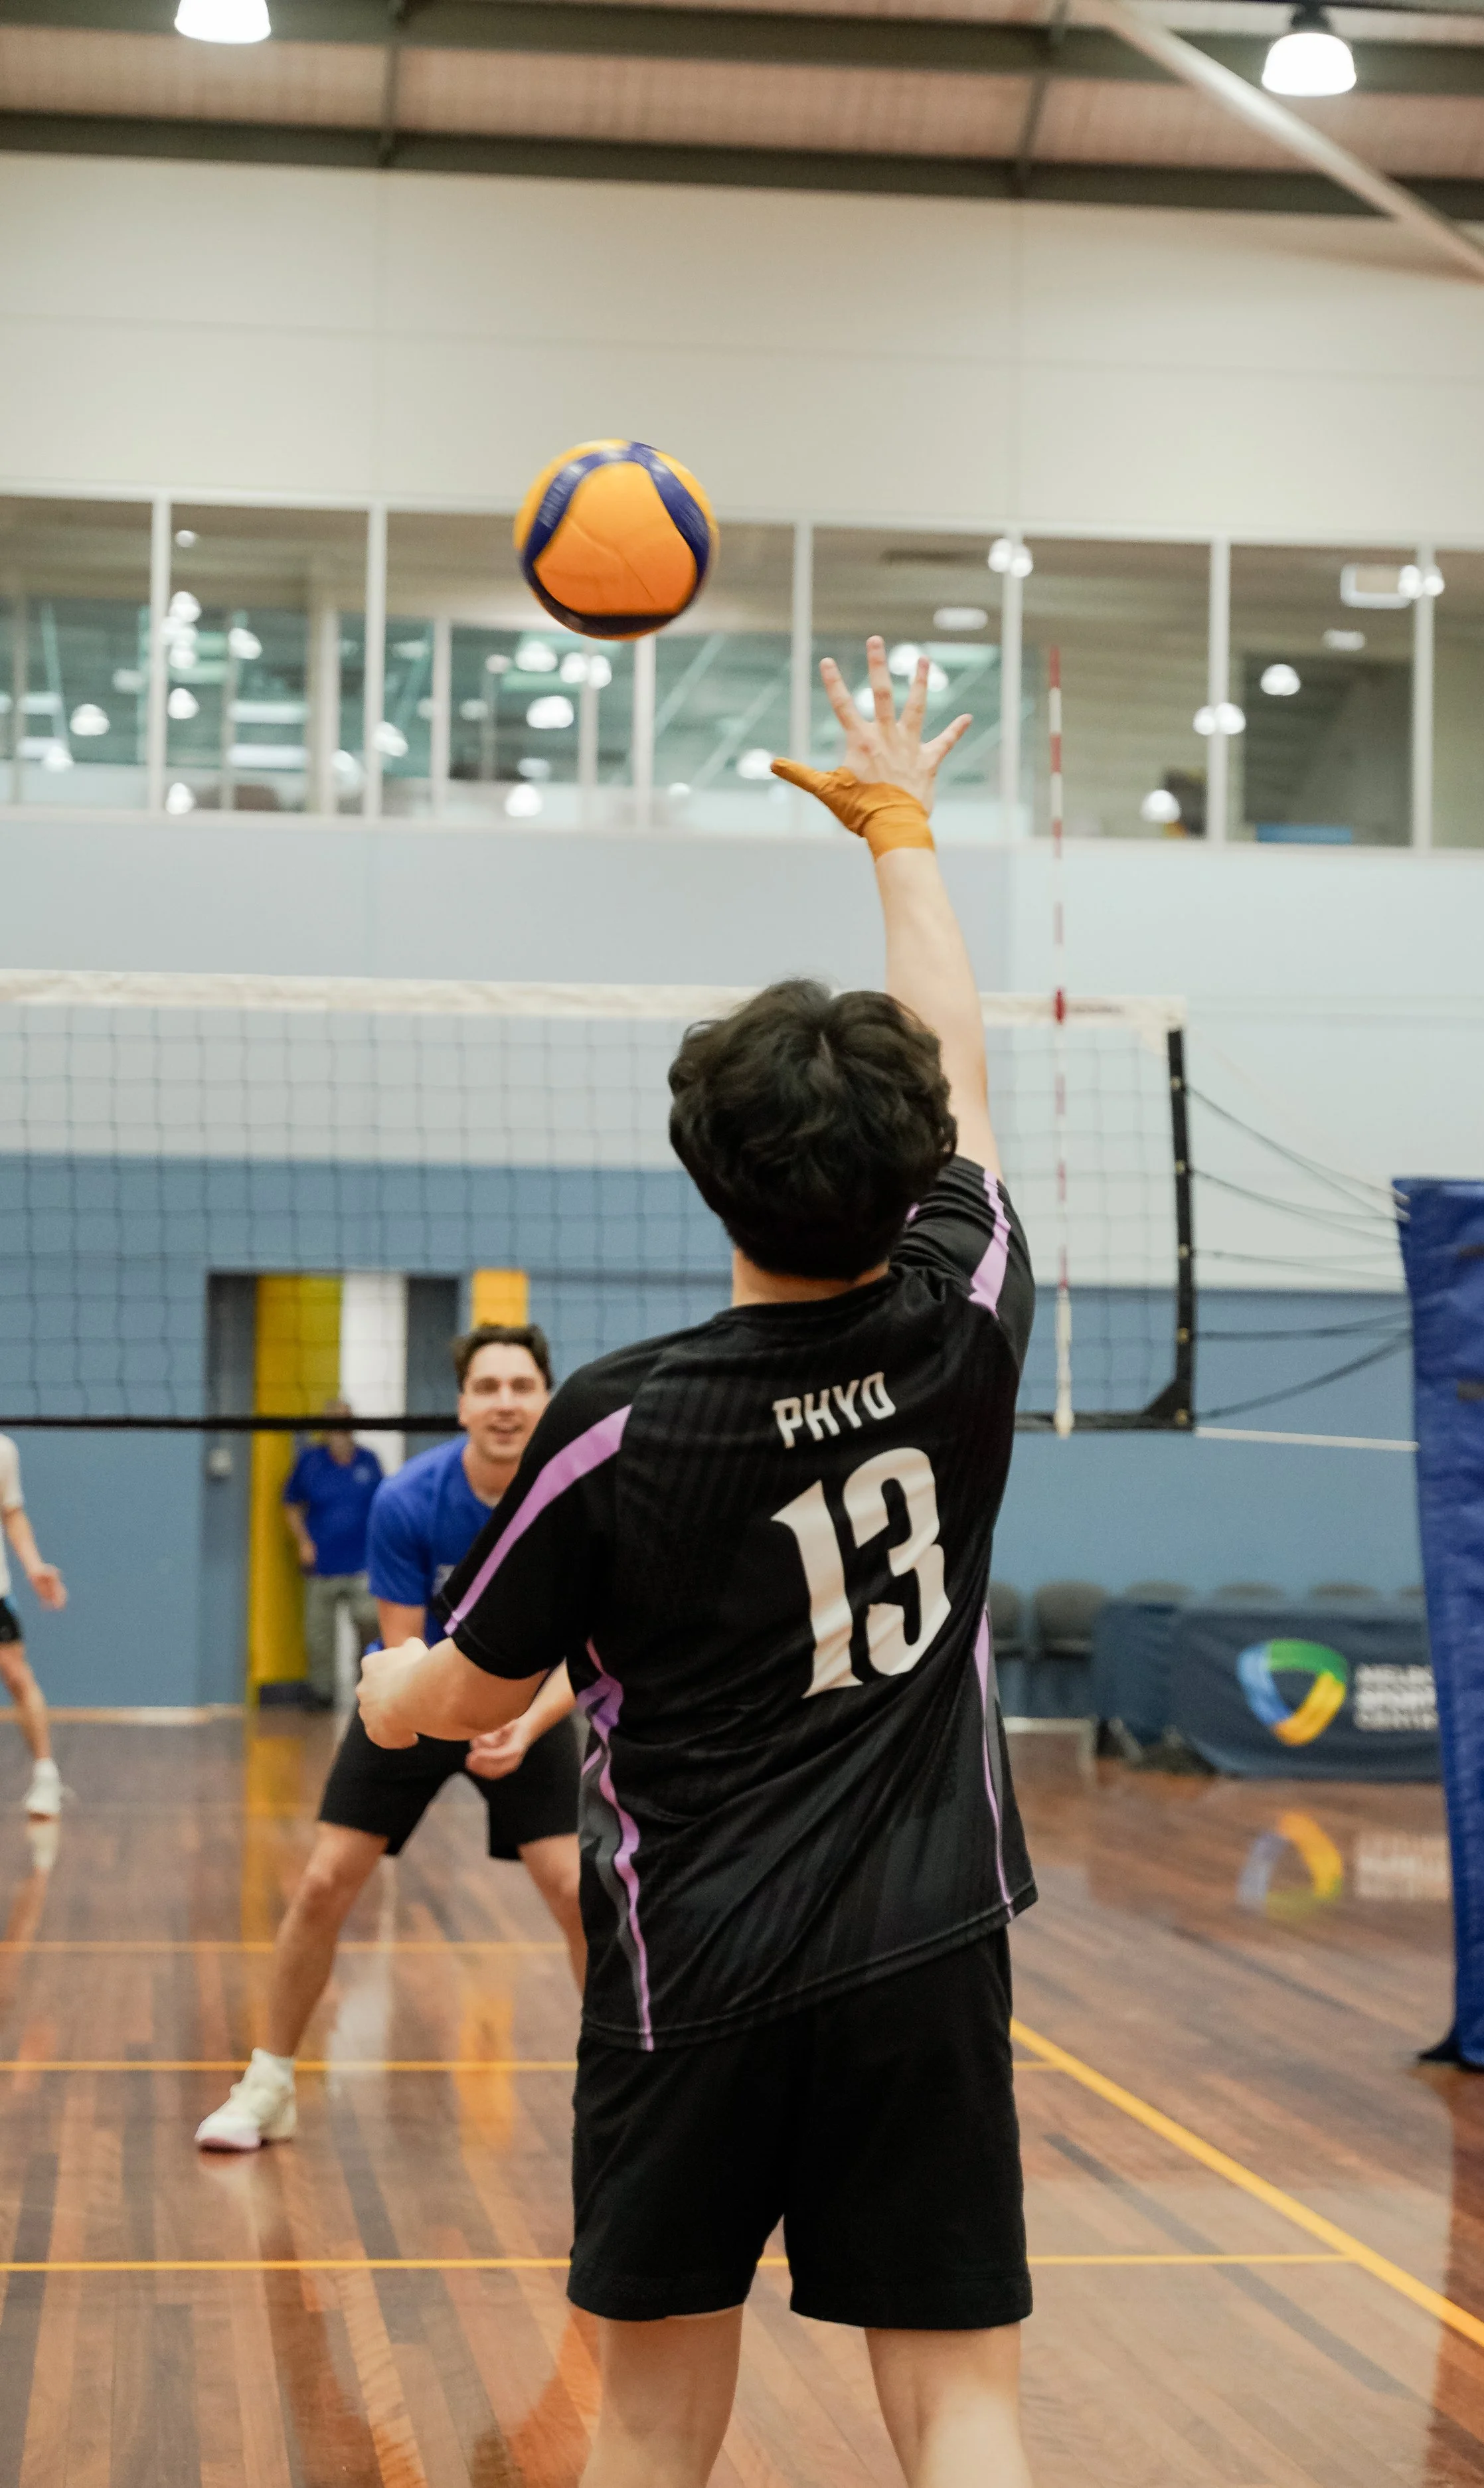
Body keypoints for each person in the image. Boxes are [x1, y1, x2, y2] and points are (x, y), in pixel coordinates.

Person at [358, 640, 1038, 2488]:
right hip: (926, 1949)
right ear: (900, 1176)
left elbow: (477, 1697)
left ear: (700, 1169)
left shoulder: (617, 1421)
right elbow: (963, 1073)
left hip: (691, 1973)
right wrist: (900, 826)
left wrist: (387, 1681)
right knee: (960, 2399)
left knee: (654, 2413)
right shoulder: (964, 1320)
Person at [195, 1323, 586, 2153]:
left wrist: (522, 1722)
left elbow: (586, 1646)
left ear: (546, 1397)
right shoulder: (409, 1498)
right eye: (488, 1387)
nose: (506, 1403)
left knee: (577, 1890)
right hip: (419, 1690)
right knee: (325, 1881)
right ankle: (268, 2084)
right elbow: (405, 1651)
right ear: (461, 1404)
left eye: (522, 1386)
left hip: (531, 1702)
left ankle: (620, 2086)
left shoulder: (575, 1495)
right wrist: (459, 1715)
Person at [282, 1398, 382, 1710]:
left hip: (362, 1563)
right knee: (320, 1636)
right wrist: (303, 1542)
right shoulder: (310, 1462)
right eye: (333, 1421)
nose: (339, 1427)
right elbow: (291, 1506)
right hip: (322, 1563)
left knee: (369, 1626)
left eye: (344, 1420)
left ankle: (366, 1691)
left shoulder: (369, 1461)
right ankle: (321, 1694)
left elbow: (384, 1506)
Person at [0, 1433, 69, 1821]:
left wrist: (34, 1566)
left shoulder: (3, 1451)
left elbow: (11, 1513)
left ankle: (46, 1777)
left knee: (16, 1677)